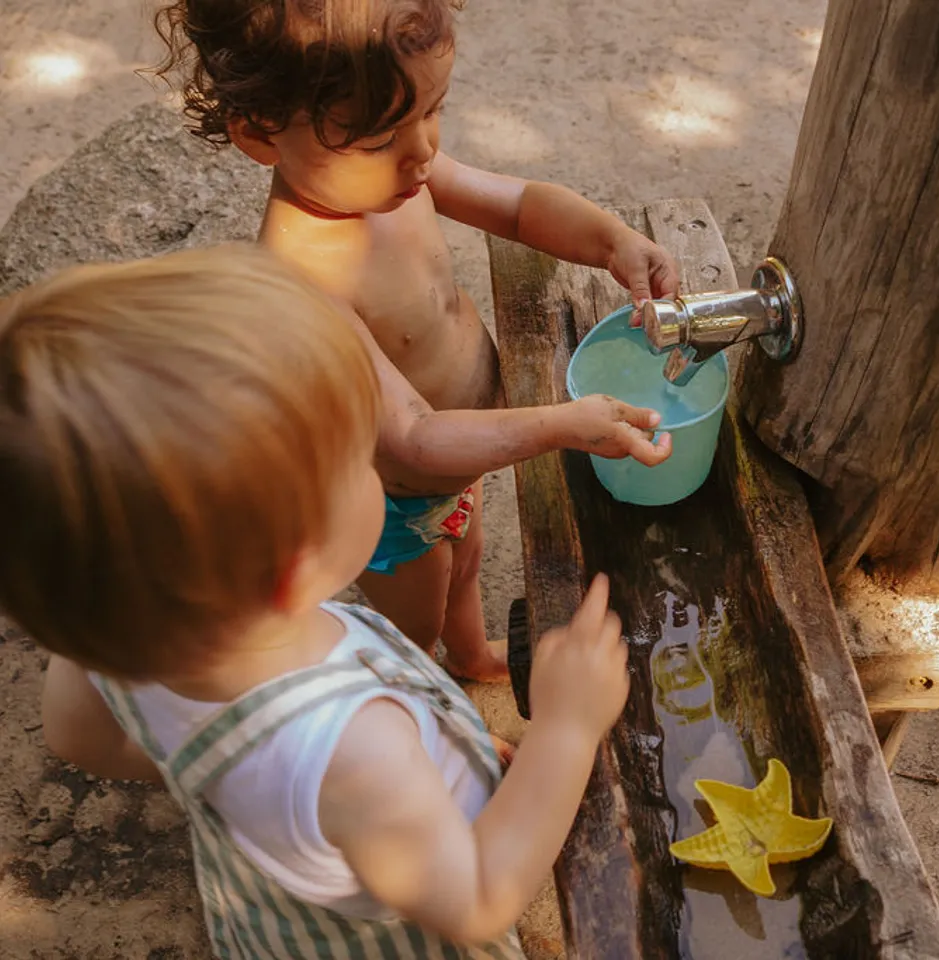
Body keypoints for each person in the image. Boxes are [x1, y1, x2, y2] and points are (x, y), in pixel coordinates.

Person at [0, 246, 631, 958]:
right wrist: (566, 730)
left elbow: (78, 738)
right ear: (293, 570)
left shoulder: (125, 628)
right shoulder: (355, 754)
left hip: (288, 909)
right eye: (360, 462)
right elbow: (481, 897)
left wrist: (258, 786)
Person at [154, 0, 681, 682]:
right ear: (259, 135)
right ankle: (425, 713)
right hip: (392, 508)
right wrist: (561, 426)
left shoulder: (393, 175)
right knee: (412, 632)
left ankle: (470, 659)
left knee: (464, 572)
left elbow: (518, 206)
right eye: (379, 139)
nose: (423, 152)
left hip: (461, 460)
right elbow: (412, 434)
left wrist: (615, 241)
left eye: (433, 111)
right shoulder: (304, 278)